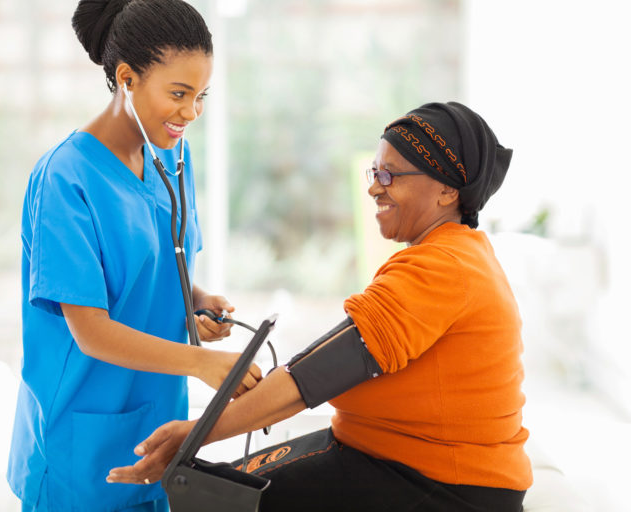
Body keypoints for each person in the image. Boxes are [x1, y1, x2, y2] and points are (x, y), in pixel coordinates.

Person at [107, 102, 533, 512]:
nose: (373, 186)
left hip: (438, 485)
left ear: (446, 189)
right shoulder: (452, 255)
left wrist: (195, 436)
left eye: (390, 174)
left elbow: (312, 377)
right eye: (375, 170)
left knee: (210, 495)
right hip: (397, 458)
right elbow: (320, 361)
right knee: (218, 483)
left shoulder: (444, 268)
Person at [6, 1, 263, 511]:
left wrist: (195, 301)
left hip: (157, 425)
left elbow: (162, 266)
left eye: (201, 95)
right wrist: (203, 363)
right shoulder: (65, 178)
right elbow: (91, 329)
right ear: (126, 78)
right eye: (178, 94)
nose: (191, 113)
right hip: (79, 443)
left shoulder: (168, 156)